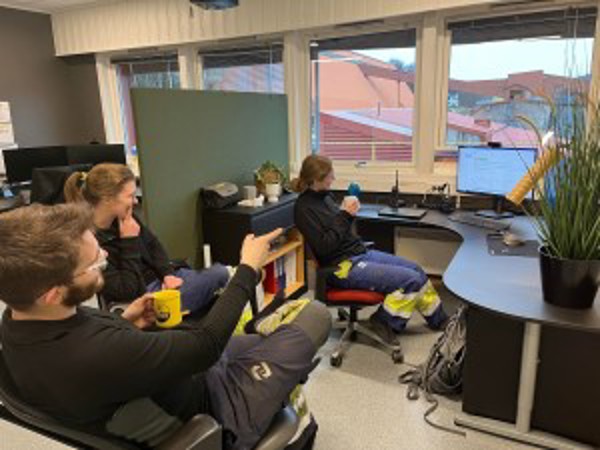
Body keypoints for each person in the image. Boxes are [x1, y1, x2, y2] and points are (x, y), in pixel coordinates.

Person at [0, 203, 331, 449]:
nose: (104, 257)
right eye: (95, 263)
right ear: (52, 293)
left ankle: (268, 342)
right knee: (316, 316)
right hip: (217, 407)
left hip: (177, 378)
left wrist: (122, 320)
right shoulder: (98, 353)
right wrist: (247, 269)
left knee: (256, 341)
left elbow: (95, 351)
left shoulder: (16, 323)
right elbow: (206, 345)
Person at [292, 155, 448, 345]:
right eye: (329, 175)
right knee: (410, 280)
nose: (333, 177)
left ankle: (440, 321)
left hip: (358, 253)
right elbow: (325, 246)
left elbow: (338, 227)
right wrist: (344, 215)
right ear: (315, 179)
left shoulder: (325, 196)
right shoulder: (303, 208)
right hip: (341, 267)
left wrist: (347, 214)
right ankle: (384, 321)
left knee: (417, 269)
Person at [64, 163, 229, 314]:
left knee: (221, 276)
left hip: (160, 281)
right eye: (130, 196)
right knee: (219, 276)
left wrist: (167, 274)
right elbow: (127, 290)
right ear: (107, 199)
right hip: (139, 300)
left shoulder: (125, 218)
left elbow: (153, 245)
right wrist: (128, 240)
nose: (135, 201)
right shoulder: (87, 242)